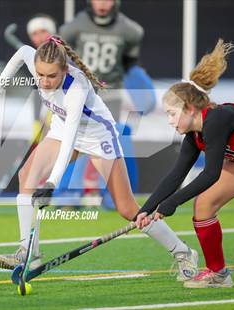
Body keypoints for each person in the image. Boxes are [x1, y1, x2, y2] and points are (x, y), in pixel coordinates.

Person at [0, 35, 198, 281]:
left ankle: (183, 252)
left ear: (64, 70)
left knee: (127, 208)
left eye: (51, 76)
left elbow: (71, 140)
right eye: (40, 75)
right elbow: (21, 53)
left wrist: (52, 183)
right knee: (26, 175)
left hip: (98, 136)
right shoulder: (34, 59)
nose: (44, 82)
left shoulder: (76, 89)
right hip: (62, 128)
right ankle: (28, 251)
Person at [135, 39, 234, 288]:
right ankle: (219, 274)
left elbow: (211, 174)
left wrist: (171, 203)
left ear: (190, 108)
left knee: (202, 197)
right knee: (204, 205)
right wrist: (146, 209)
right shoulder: (193, 134)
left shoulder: (217, 119)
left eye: (172, 113)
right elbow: (176, 174)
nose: (169, 121)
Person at [59, 0, 156, 204]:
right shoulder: (74, 27)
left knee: (107, 142)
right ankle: (68, 195)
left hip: (109, 93)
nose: (102, 4)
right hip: (80, 92)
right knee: (75, 140)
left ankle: (113, 195)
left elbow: (129, 64)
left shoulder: (130, 30)